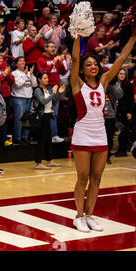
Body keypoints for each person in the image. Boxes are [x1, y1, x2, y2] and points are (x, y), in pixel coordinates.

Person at [69, 33, 135, 233]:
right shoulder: (77, 84)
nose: (93, 67)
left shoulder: (104, 81)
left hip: (100, 134)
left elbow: (122, 59)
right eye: (88, 64)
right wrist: (78, 35)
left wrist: (133, 36)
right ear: (82, 69)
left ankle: (89, 215)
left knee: (97, 177)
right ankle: (78, 216)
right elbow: (74, 59)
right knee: (83, 176)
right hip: (82, 134)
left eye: (95, 64)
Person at [37, 41, 67, 143]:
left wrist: (62, 62)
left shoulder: (56, 59)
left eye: (54, 47)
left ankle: (54, 135)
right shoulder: (41, 59)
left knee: (55, 113)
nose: (53, 49)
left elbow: (63, 72)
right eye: (51, 47)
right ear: (45, 48)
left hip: (56, 88)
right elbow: (43, 73)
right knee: (47, 113)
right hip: (47, 88)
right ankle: (48, 136)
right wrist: (53, 63)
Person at [34, 72, 64, 169]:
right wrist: (53, 93)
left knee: (48, 139)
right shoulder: (38, 90)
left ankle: (49, 160)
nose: (47, 80)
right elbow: (43, 101)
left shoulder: (47, 89)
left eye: (47, 78)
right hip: (41, 117)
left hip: (48, 116)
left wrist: (59, 93)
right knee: (42, 140)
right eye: (44, 78)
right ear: (39, 79)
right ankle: (38, 162)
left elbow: (54, 102)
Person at [11, 57, 37, 144]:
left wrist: (31, 75)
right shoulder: (14, 73)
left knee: (28, 119)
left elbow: (34, 84)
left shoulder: (29, 73)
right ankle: (17, 138)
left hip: (29, 98)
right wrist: (25, 75)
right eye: (20, 61)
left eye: (24, 61)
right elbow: (18, 85)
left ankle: (25, 137)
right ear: (16, 63)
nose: (23, 62)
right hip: (18, 98)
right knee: (19, 119)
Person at [115, 69, 134, 157]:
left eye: (124, 74)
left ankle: (122, 150)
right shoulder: (114, 84)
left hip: (125, 111)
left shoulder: (128, 85)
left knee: (123, 131)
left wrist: (130, 112)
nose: (122, 75)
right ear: (117, 75)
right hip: (115, 111)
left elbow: (131, 100)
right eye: (120, 74)